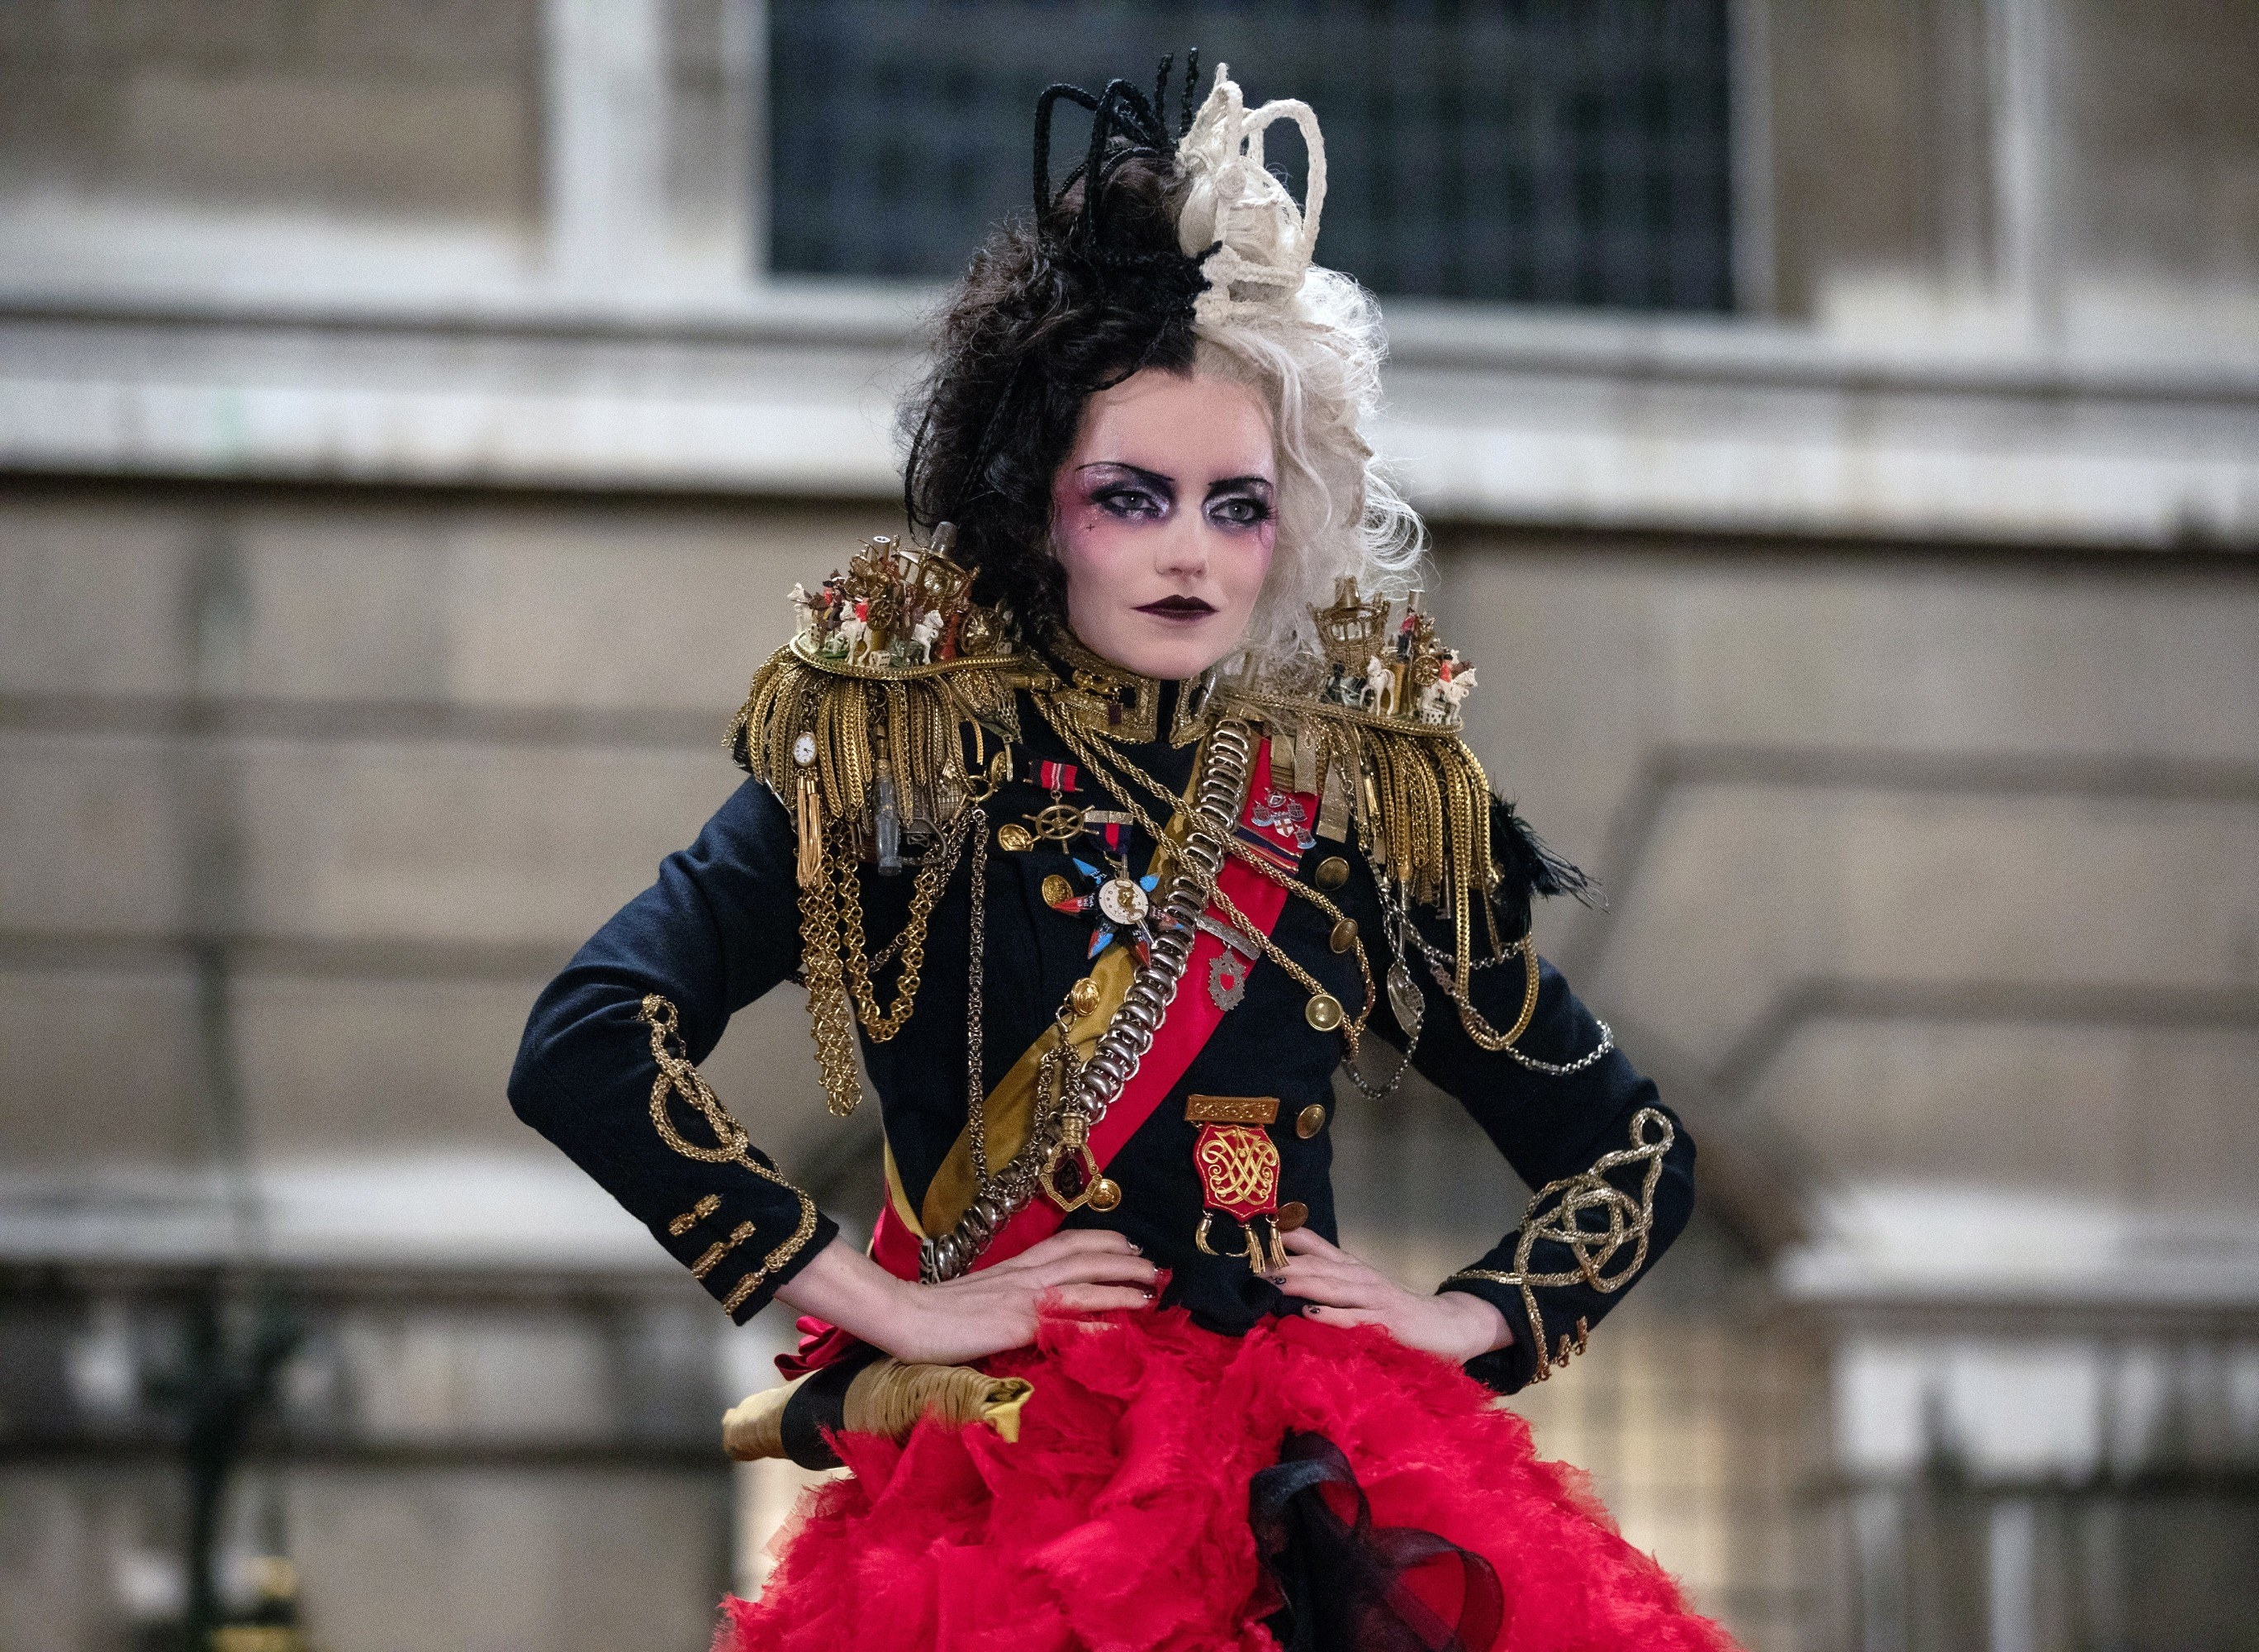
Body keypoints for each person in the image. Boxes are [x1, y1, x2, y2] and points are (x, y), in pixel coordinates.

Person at [510, 57, 1730, 1652]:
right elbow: (585, 1042)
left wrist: (1467, 1325)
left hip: (1321, 1511)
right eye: (1132, 497)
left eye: (1236, 506)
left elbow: (1634, 1155)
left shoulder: (1353, 803)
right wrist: (886, 1309)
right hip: (1008, 1505)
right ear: (1034, 505)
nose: (1188, 553)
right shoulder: (903, 753)